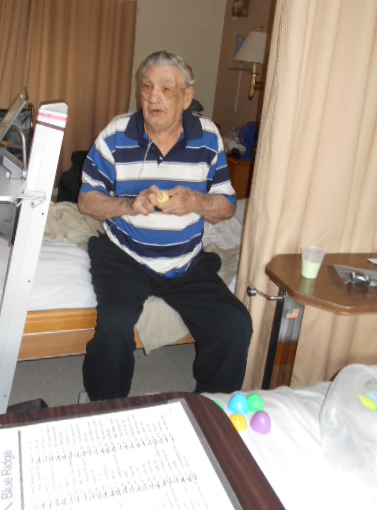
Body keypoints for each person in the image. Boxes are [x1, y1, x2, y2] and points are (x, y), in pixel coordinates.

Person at [78, 51, 252, 400]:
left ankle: (209, 407)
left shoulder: (208, 137)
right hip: (125, 256)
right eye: (146, 87)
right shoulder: (116, 133)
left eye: (166, 89)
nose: (153, 97)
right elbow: (86, 200)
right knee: (113, 329)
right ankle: (103, 409)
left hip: (186, 261)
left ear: (187, 97)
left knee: (235, 325)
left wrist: (197, 201)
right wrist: (129, 205)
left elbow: (228, 206)